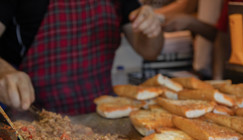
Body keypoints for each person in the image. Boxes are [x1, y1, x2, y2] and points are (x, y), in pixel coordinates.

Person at [0, 0, 163, 115]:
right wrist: (4, 71)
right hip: (35, 118)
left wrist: (152, 28)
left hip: (103, 115)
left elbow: (150, 51)